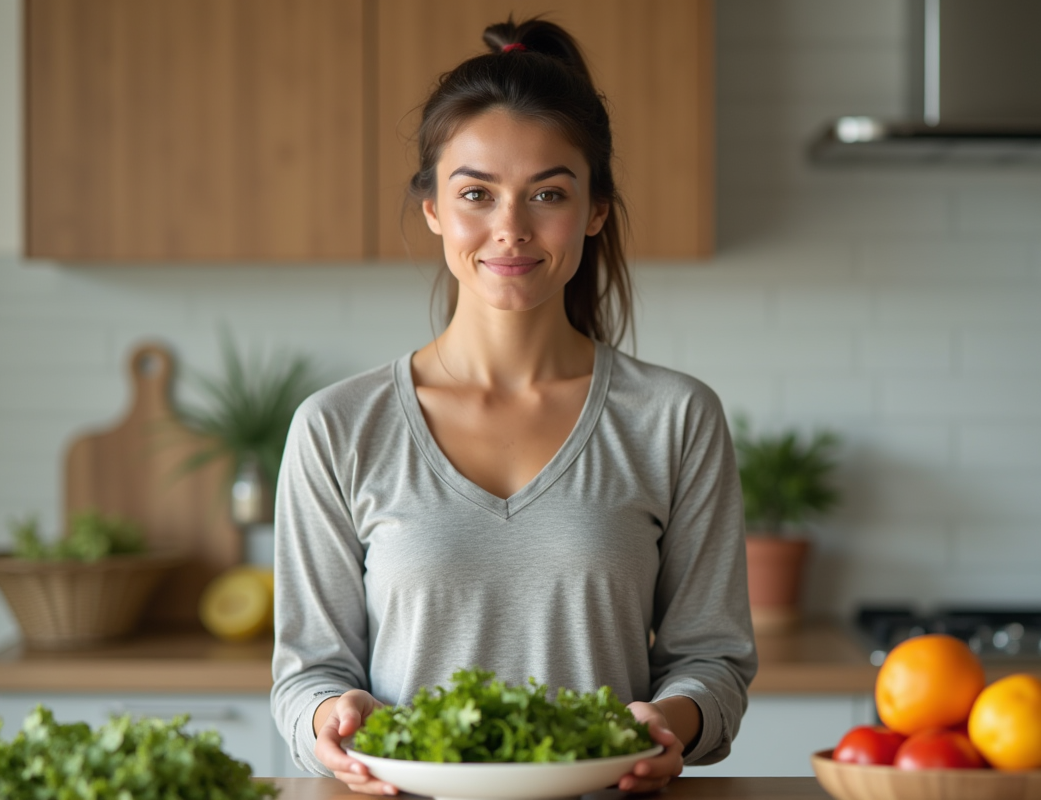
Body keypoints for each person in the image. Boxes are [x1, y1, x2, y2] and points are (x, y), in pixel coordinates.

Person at [270, 16, 757, 795]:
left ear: (595, 210)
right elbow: (308, 674)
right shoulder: (336, 428)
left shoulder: (675, 418)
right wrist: (330, 716)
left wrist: (672, 723)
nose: (511, 229)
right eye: (476, 193)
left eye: (549, 193)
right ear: (433, 208)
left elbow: (712, 661)